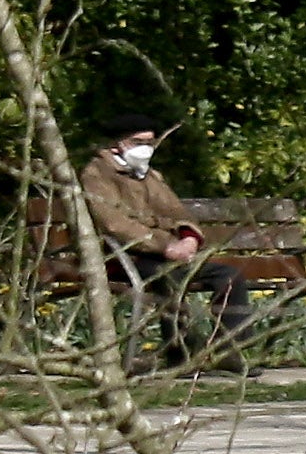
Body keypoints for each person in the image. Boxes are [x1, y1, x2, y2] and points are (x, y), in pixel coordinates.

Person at [78, 127, 251, 362]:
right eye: (138, 141)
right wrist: (165, 246)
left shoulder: (149, 176)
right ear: (116, 143)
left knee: (229, 276)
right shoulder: (96, 174)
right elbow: (114, 225)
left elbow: (177, 212)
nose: (145, 148)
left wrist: (189, 237)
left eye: (150, 142)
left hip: (163, 256)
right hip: (121, 257)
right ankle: (180, 352)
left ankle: (230, 352)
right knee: (168, 278)